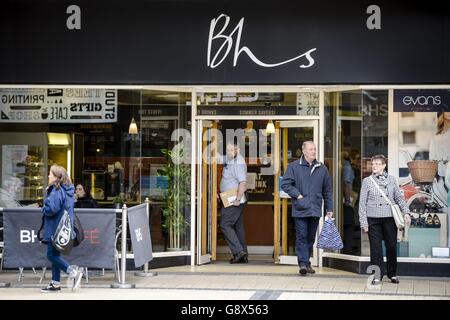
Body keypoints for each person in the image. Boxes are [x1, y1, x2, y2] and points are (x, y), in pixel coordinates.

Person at [281, 141, 333, 276]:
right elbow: (285, 184)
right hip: (300, 208)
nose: (313, 151)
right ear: (303, 151)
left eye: (314, 149)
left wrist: (329, 208)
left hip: (315, 209)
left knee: (310, 238)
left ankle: (307, 262)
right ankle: (302, 263)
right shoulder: (294, 167)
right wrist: (298, 196)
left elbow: (327, 190)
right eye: (311, 149)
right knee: (302, 236)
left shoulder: (322, 168)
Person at [358, 155, 411, 285]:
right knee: (376, 249)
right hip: (373, 219)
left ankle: (392, 273)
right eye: (373, 164)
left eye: (377, 164)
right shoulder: (367, 181)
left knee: (391, 246)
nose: (374, 166)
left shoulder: (392, 180)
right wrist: (364, 222)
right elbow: (362, 203)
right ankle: (377, 275)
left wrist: (406, 212)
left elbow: (399, 198)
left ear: (383, 165)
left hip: (389, 218)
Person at [40, 164, 83, 292]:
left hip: (55, 228)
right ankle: (55, 283)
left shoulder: (57, 191)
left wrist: (43, 208)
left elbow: (52, 209)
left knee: (50, 255)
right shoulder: (67, 190)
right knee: (55, 254)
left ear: (56, 177)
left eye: (50, 174)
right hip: (63, 229)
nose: (48, 175)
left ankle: (72, 272)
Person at [219, 142, 248, 264]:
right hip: (230, 197)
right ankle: (243, 256)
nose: (230, 152)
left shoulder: (238, 162)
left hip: (234, 199)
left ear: (238, 149)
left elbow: (243, 183)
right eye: (228, 149)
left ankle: (238, 252)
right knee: (238, 227)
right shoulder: (232, 159)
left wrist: (237, 199)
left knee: (225, 224)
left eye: (233, 150)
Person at [429, 112, 450, 177]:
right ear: (442, 114)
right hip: (442, 173)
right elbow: (432, 157)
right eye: (447, 110)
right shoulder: (435, 137)